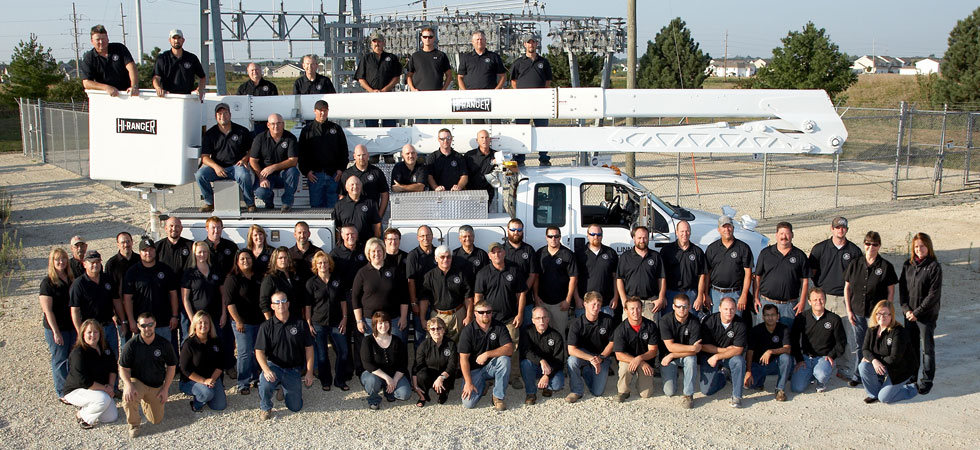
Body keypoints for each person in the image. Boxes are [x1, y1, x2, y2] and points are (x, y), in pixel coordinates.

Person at [808, 216, 863, 384]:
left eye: (843, 228)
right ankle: (816, 366)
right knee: (821, 331)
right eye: (837, 227)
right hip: (824, 298)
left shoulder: (854, 251)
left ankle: (845, 367)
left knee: (846, 333)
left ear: (847, 229)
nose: (840, 230)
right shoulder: (820, 249)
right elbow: (812, 271)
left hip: (845, 298)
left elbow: (858, 276)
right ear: (831, 229)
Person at [843, 231, 898, 388]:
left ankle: (879, 376)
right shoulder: (854, 264)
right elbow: (847, 288)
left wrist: (888, 312)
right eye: (868, 244)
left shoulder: (886, 266)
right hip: (857, 312)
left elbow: (891, 291)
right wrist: (849, 310)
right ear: (864, 245)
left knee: (877, 345)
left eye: (874, 244)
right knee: (860, 345)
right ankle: (858, 374)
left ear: (879, 246)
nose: (871, 247)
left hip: (877, 315)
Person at [474, 241, 528, 388]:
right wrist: (478, 316)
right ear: (489, 255)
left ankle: (514, 376)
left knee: (513, 347)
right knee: (489, 348)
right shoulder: (483, 273)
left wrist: (520, 314)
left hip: (510, 318)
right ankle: (489, 376)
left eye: (499, 252)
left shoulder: (514, 270)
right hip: (489, 320)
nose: (496, 254)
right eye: (493, 252)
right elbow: (478, 296)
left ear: (504, 253)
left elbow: (521, 294)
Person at [255, 291, 315, 420]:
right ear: (272, 306)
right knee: (264, 383)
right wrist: (266, 370)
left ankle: (283, 387)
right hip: (274, 366)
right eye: (277, 302)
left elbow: (309, 348)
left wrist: (309, 372)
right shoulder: (266, 326)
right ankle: (266, 407)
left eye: (283, 301)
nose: (280, 304)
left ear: (288, 304)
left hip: (293, 369)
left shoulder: (300, 323)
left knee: (295, 407)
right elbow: (259, 351)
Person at [119, 312, 178, 437]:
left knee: (156, 420)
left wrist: (165, 389)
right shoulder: (131, 344)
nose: (147, 328)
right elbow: (123, 368)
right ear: (138, 326)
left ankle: (146, 401)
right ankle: (134, 424)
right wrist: (128, 385)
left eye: (150, 324)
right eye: (144, 325)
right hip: (138, 382)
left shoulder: (164, 344)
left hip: (156, 385)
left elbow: (172, 367)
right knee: (128, 396)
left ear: (155, 324)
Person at [181, 241, 234, 376]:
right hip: (198, 317)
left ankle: (220, 371)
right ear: (194, 254)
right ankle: (194, 374)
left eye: (204, 251)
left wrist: (223, 313)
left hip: (215, 315)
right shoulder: (189, 273)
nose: (202, 254)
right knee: (196, 345)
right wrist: (193, 319)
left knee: (217, 343)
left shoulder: (215, 269)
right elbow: (185, 298)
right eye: (199, 252)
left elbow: (223, 294)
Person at [899, 232, 942, 395]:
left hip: (926, 316)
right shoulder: (907, 265)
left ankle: (927, 380)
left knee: (927, 349)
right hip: (909, 315)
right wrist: (906, 309)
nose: (919, 249)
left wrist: (917, 312)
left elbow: (933, 294)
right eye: (916, 246)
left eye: (922, 246)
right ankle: (912, 376)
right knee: (911, 347)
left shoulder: (934, 267)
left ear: (928, 247)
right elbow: (902, 289)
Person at [69, 249, 124, 374]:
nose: (95, 265)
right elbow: (75, 311)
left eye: (98, 262)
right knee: (93, 360)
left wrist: (123, 320)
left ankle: (113, 387)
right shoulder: (79, 284)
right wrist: (80, 332)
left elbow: (116, 301)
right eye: (92, 262)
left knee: (112, 357)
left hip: (108, 326)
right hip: (90, 330)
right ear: (84, 264)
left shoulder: (107, 279)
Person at [195, 103, 255, 213]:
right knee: (200, 175)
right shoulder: (210, 134)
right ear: (215, 116)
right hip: (217, 168)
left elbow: (251, 150)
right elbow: (204, 157)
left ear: (230, 115)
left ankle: (250, 203)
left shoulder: (242, 131)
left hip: (236, 166)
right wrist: (216, 167)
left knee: (244, 175)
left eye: (225, 113)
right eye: (219, 114)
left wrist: (244, 159)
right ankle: (209, 202)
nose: (222, 116)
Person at [305, 250, 350, 391]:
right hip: (318, 323)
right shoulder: (311, 283)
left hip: (337, 322)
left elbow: (343, 300)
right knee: (323, 355)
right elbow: (307, 305)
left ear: (329, 264)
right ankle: (326, 381)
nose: (323, 265)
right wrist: (308, 323)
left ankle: (340, 380)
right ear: (316, 265)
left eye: (325, 262)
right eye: (320, 263)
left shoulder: (337, 279)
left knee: (344, 351)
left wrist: (345, 318)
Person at [858, 300, 918, 404]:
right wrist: (873, 361)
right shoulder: (872, 329)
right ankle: (874, 394)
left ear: (891, 315)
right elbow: (865, 349)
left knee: (884, 398)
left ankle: (912, 388)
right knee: (863, 366)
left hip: (900, 369)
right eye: (879, 313)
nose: (882, 316)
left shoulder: (898, 332)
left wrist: (875, 360)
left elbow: (894, 358)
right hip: (884, 366)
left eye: (885, 314)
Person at [458, 301, 514, 410]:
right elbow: (463, 359)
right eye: (481, 312)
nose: (485, 315)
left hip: (491, 367)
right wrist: (468, 383)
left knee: (504, 360)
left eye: (488, 312)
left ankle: (498, 397)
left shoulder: (499, 326)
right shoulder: (467, 331)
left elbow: (509, 349)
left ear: (492, 312)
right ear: (475, 313)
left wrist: (487, 354)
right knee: (468, 404)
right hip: (474, 370)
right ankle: (484, 384)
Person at [63, 320, 118, 429]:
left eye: (96, 332)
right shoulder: (78, 353)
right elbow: (84, 381)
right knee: (103, 399)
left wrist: (111, 386)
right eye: (89, 332)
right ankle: (83, 417)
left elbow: (113, 368)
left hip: (99, 389)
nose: (93, 335)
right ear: (83, 334)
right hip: (78, 389)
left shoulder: (104, 348)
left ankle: (90, 406)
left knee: (111, 417)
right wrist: (105, 388)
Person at [123, 236, 179, 343]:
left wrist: (175, 316)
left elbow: (173, 294)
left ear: (155, 251)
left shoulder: (165, 269)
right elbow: (128, 299)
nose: (148, 253)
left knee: (165, 355)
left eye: (151, 250)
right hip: (142, 324)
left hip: (163, 322)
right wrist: (131, 321)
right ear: (140, 253)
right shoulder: (132, 272)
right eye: (144, 250)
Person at [790, 288, 847, 393]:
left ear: (825, 300)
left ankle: (821, 381)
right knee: (797, 388)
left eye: (821, 299)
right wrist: (799, 359)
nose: (818, 302)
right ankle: (810, 375)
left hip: (823, 358)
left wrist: (832, 355)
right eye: (815, 300)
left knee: (821, 374)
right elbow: (793, 339)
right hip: (806, 357)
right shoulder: (802, 318)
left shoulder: (834, 319)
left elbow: (841, 342)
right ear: (809, 302)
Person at [352, 238, 410, 342]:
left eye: (379, 250)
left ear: (384, 252)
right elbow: (355, 297)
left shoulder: (394, 270)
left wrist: (404, 317)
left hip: (393, 319)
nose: (376, 254)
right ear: (368, 253)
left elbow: (404, 295)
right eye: (373, 251)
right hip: (370, 321)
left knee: (395, 349)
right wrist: (359, 320)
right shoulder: (362, 273)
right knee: (373, 352)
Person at [224, 249, 264, 395]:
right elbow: (229, 303)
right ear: (237, 261)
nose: (245, 261)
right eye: (242, 259)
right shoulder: (232, 279)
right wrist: (238, 321)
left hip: (258, 321)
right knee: (244, 352)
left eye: (248, 258)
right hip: (242, 323)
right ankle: (243, 383)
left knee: (256, 351)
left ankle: (255, 378)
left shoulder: (258, 277)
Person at [754, 221, 809, 326]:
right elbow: (757, 277)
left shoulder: (800, 255)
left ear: (792, 235)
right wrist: (755, 297)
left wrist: (802, 302)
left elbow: (805, 281)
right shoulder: (766, 253)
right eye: (781, 234)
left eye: (787, 233)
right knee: (763, 337)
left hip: (789, 305)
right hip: (766, 303)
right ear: (776, 235)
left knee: (787, 338)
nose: (784, 237)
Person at [510, 33, 553, 166]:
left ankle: (544, 157)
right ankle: (520, 157)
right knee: (522, 130)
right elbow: (513, 81)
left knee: (542, 130)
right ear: (524, 44)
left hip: (540, 103)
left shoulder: (543, 62)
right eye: (528, 42)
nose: (531, 45)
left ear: (536, 44)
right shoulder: (518, 62)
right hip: (523, 103)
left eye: (533, 42)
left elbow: (548, 81)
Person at [40, 247, 76, 400]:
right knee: (60, 359)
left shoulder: (71, 279)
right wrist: (56, 332)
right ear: (52, 262)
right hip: (56, 327)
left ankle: (72, 387)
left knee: (72, 357)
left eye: (63, 259)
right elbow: (48, 311)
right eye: (57, 260)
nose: (61, 262)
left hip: (71, 326)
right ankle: (62, 392)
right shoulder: (47, 283)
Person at [565, 291, 614, 403]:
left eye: (598, 304)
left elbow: (612, 343)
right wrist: (591, 359)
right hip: (585, 355)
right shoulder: (576, 324)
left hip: (602, 356)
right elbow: (571, 350)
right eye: (593, 304)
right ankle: (576, 391)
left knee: (597, 392)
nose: (596, 307)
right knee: (572, 361)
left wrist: (600, 357)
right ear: (585, 304)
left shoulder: (607, 320)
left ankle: (587, 371)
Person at [298, 100, 349, 209]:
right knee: (316, 207)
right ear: (314, 111)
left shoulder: (336, 129)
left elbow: (344, 151)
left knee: (334, 207)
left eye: (325, 110)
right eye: (320, 110)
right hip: (315, 176)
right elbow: (301, 154)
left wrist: (341, 170)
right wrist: (307, 172)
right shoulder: (307, 130)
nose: (322, 113)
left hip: (333, 175)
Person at [698, 298, 747, 407]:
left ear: (735, 309)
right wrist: (723, 352)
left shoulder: (740, 324)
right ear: (719, 308)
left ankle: (737, 396)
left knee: (739, 361)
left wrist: (718, 356)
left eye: (732, 309)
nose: (729, 312)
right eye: (725, 309)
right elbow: (703, 346)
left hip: (729, 357)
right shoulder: (709, 321)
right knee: (706, 391)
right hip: (709, 356)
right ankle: (724, 375)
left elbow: (738, 350)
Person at [420, 245, 473, 342]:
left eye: (448, 257)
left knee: (460, 345)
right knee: (438, 344)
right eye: (442, 257)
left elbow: (468, 297)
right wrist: (422, 318)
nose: (446, 259)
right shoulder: (429, 276)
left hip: (458, 314)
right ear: (436, 259)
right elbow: (424, 299)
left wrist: (469, 316)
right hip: (438, 315)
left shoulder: (460, 274)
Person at [360, 311, 412, 409]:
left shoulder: (397, 341)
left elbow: (403, 364)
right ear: (375, 325)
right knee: (371, 381)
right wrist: (387, 378)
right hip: (375, 374)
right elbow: (367, 364)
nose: (383, 325)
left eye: (386, 322)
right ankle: (374, 399)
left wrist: (394, 380)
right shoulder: (368, 341)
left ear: (390, 324)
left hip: (394, 374)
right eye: (380, 323)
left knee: (405, 394)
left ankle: (389, 391)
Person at [249, 113, 300, 212]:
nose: (276, 126)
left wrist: (273, 167)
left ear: (283, 124)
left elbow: (293, 161)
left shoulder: (290, 138)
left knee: (293, 172)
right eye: (273, 124)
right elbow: (253, 160)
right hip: (266, 176)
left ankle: (287, 204)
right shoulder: (259, 138)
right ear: (268, 125)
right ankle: (269, 200)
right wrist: (261, 178)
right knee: (260, 192)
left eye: (279, 123)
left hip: (283, 175)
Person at [612, 296, 658, 403]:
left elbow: (653, 351)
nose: (635, 312)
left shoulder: (651, 326)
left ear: (642, 309)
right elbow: (618, 355)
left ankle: (641, 381)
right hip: (628, 360)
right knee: (624, 368)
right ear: (626, 310)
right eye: (632, 309)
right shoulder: (620, 329)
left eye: (638, 308)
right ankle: (624, 391)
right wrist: (639, 362)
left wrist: (640, 359)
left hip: (646, 359)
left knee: (646, 394)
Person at [659, 293, 701, 408]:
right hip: (668, 358)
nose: (682, 309)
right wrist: (690, 348)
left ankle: (688, 395)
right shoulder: (665, 320)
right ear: (673, 307)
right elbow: (670, 347)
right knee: (669, 392)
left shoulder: (695, 322)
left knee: (691, 360)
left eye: (685, 306)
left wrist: (673, 354)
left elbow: (695, 351)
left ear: (689, 306)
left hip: (683, 356)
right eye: (679, 306)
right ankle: (674, 373)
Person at [705, 215, 754, 316]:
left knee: (735, 324)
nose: (727, 229)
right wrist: (705, 294)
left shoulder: (743, 248)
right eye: (724, 227)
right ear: (719, 229)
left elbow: (748, 274)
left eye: (729, 226)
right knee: (717, 324)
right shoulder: (712, 248)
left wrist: (744, 295)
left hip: (735, 293)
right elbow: (707, 273)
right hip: (715, 294)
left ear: (733, 228)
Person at [533, 226, 578, 335]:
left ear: (560, 237)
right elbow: (536, 277)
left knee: (559, 333)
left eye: (556, 236)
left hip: (560, 304)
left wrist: (568, 300)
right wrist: (536, 296)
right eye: (550, 236)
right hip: (542, 302)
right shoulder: (540, 254)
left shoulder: (568, 254)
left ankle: (560, 352)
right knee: (542, 333)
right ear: (546, 238)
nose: (553, 239)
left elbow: (573, 278)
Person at [179, 311, 226, 412]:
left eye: (206, 322)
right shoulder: (188, 344)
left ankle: (207, 394)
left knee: (220, 406)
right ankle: (197, 404)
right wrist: (204, 381)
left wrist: (212, 380)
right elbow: (184, 369)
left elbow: (220, 364)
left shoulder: (215, 341)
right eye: (200, 322)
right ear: (195, 325)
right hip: (191, 380)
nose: (203, 325)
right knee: (207, 393)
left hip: (211, 378)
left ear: (210, 325)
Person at [616, 226, 666, 320]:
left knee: (651, 333)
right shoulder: (625, 257)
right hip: (631, 303)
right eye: (639, 238)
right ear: (634, 238)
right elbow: (619, 279)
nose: (642, 240)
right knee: (630, 333)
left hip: (650, 304)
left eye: (645, 238)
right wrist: (623, 299)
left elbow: (662, 279)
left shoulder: (656, 257)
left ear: (648, 239)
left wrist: (661, 298)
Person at [743, 304, 792, 402]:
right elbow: (750, 352)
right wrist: (748, 371)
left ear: (778, 316)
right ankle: (759, 383)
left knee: (786, 358)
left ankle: (780, 389)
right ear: (763, 317)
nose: (770, 318)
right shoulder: (756, 330)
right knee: (750, 385)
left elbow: (787, 349)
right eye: (767, 315)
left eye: (773, 315)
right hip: (759, 364)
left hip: (775, 364)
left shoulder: (783, 329)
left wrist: (770, 351)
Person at [520, 307, 566, 405]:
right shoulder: (526, 332)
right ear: (533, 320)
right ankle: (531, 393)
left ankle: (547, 387)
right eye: (538, 318)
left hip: (551, 368)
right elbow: (526, 352)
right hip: (535, 366)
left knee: (557, 385)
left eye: (544, 317)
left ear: (548, 319)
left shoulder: (556, 336)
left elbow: (559, 361)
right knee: (525, 363)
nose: (541, 321)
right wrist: (541, 360)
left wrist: (547, 375)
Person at [661, 221, 708, 315]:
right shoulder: (667, 250)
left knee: (692, 322)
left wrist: (699, 296)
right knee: (669, 322)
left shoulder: (697, 252)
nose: (684, 234)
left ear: (690, 232)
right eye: (682, 231)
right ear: (676, 232)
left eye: (687, 231)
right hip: (670, 293)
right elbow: (661, 276)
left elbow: (702, 275)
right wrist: (662, 296)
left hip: (691, 294)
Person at [355, 32, 401, 127]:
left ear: (383, 43)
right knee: (371, 125)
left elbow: (396, 77)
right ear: (371, 44)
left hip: (388, 96)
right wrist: (371, 91)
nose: (377, 44)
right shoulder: (366, 58)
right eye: (374, 41)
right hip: (371, 97)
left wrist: (385, 89)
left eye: (379, 41)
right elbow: (360, 78)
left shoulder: (392, 58)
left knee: (390, 124)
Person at [575, 224, 619, 318]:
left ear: (602, 236)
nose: (596, 237)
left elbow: (616, 278)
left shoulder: (611, 253)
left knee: (606, 332)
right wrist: (577, 298)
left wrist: (615, 297)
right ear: (587, 235)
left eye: (599, 234)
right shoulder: (579, 254)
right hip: (584, 304)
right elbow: (574, 279)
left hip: (606, 304)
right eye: (593, 234)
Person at [80, 24, 138, 97]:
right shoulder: (89, 58)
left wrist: (134, 85)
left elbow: (131, 67)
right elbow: (86, 83)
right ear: (92, 41)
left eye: (103, 38)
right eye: (98, 39)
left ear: (107, 38)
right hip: (106, 97)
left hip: (128, 94)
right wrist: (106, 88)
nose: (101, 42)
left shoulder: (119, 48)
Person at [412, 317, 458, 407]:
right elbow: (416, 365)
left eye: (439, 328)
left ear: (444, 330)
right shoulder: (423, 345)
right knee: (421, 374)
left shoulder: (451, 344)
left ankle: (443, 394)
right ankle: (423, 396)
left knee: (450, 376)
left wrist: (441, 378)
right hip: (429, 373)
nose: (436, 331)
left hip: (445, 374)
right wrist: (415, 386)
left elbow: (452, 365)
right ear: (429, 331)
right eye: (433, 329)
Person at [152, 29, 205, 100]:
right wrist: (158, 88)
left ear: (183, 40)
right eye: (174, 38)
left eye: (179, 38)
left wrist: (200, 89)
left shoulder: (192, 58)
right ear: (169, 40)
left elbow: (202, 77)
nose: (176, 41)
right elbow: (156, 78)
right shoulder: (162, 58)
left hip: (187, 99)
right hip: (167, 98)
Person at [407, 226, 437, 346]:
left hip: (437, 303)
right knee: (420, 339)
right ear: (418, 238)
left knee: (437, 337)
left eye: (428, 235)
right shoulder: (413, 255)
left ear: (432, 236)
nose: (425, 238)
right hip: (420, 304)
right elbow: (411, 280)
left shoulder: (438, 252)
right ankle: (419, 365)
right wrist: (414, 303)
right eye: (422, 236)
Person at [338, 145, 389, 217]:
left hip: (372, 217)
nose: (361, 158)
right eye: (359, 155)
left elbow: (385, 195)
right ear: (354, 156)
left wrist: (379, 217)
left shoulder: (377, 172)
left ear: (368, 155)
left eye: (364, 155)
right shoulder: (346, 174)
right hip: (353, 217)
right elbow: (342, 196)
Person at [259, 247, 306, 320]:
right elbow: (264, 302)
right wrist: (270, 322)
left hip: (296, 317)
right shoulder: (270, 278)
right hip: (279, 319)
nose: (283, 260)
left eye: (285, 257)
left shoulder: (293, 275)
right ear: (275, 260)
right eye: (280, 258)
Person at [334, 176, 382, 247]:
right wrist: (339, 245)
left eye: (357, 184)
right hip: (347, 245)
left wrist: (375, 243)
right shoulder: (339, 205)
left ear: (361, 186)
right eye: (352, 184)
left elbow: (377, 225)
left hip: (366, 246)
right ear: (346, 188)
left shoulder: (371, 203)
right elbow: (338, 227)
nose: (355, 186)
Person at [406, 27, 452, 93]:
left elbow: (449, 75)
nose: (427, 39)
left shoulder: (441, 55)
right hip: (419, 94)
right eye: (425, 37)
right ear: (421, 38)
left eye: (430, 37)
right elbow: (409, 75)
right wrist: (413, 89)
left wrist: (443, 90)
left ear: (434, 38)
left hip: (436, 94)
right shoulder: (415, 56)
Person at [237, 63, 279, 134]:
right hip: (248, 125)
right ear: (248, 71)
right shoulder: (242, 88)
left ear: (260, 70)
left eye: (256, 69)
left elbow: (275, 105)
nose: (254, 72)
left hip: (266, 125)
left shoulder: (271, 87)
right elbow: (238, 106)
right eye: (252, 70)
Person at [504, 217, 539, 293]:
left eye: (519, 230)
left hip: (526, 300)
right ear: (508, 230)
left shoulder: (529, 250)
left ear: (522, 231)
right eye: (513, 230)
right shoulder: (501, 250)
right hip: (506, 299)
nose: (516, 232)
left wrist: (523, 293)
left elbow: (533, 274)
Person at [464, 130, 497, 203]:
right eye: (482, 138)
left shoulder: (497, 155)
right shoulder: (469, 156)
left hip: (489, 194)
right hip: (471, 194)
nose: (484, 140)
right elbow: (463, 174)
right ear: (477, 140)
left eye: (486, 137)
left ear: (490, 139)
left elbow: (511, 168)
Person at [104, 232, 138, 300]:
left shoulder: (140, 260)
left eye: (128, 241)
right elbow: (109, 287)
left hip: (141, 303)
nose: (126, 245)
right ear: (118, 245)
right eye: (123, 242)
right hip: (120, 303)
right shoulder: (111, 264)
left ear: (132, 242)